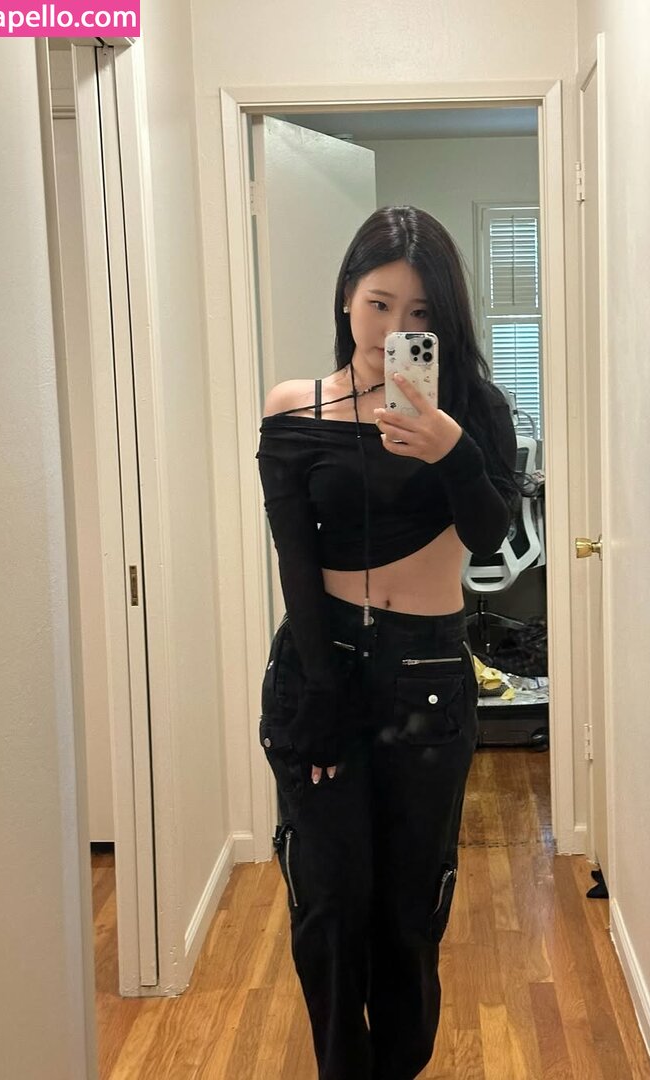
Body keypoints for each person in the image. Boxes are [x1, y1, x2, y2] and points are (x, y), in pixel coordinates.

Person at [256, 205, 519, 1080]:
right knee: (329, 904)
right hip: (319, 668)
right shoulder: (295, 407)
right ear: (346, 297)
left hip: (427, 677)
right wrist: (320, 692)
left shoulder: (474, 410)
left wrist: (451, 449)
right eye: (378, 304)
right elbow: (295, 557)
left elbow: (490, 536)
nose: (392, 328)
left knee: (410, 909)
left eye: (419, 314)